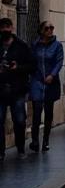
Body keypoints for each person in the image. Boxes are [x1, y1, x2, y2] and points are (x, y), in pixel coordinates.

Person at [0, 17, 33, 159]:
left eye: (8, 27)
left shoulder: (21, 45)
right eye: (2, 27)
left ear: (12, 28)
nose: (5, 30)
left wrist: (17, 67)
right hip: (0, 90)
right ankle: (1, 152)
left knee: (19, 120)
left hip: (17, 90)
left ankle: (20, 149)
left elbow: (31, 66)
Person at [29, 21, 64, 152]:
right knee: (37, 112)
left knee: (48, 113)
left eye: (52, 28)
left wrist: (52, 75)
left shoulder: (57, 45)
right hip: (37, 81)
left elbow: (59, 61)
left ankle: (46, 141)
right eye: (47, 28)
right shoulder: (35, 45)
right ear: (41, 31)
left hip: (51, 83)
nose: (50, 30)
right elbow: (32, 61)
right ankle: (35, 141)